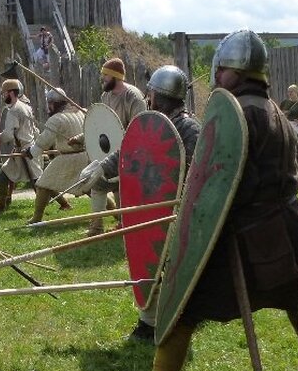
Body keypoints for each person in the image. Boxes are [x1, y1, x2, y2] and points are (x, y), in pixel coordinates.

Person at [122, 30, 298, 371]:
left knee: (179, 309)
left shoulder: (235, 117)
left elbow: (212, 183)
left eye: (221, 69)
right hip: (288, 233)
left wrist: (190, 220)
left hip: (238, 238)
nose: (217, 74)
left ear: (231, 73)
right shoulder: (278, 113)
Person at [87, 65, 201, 342]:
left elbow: (197, 175)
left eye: (151, 93)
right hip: (152, 208)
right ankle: (154, 320)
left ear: (158, 95)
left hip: (177, 213)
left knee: (161, 265)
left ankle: (152, 325)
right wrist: (101, 169)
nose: (148, 98)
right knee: (151, 263)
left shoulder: (189, 129)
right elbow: (129, 151)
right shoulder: (152, 122)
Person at [76, 57, 147, 236]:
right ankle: (106, 225)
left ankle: (109, 226)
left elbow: (140, 128)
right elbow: (101, 125)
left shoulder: (133, 97)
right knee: (103, 184)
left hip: (131, 151)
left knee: (109, 185)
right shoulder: (105, 96)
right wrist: (81, 137)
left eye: (106, 76)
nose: (103, 79)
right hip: (109, 151)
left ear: (116, 76)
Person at [26, 87, 85, 224]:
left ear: (53, 103)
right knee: (92, 188)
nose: (49, 107)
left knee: (42, 184)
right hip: (84, 157)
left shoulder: (56, 119)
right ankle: (116, 214)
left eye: (49, 104)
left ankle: (36, 218)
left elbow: (43, 142)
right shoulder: (80, 114)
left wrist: (30, 152)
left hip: (66, 158)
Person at [0, 78, 42, 212]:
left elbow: (9, 134)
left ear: (11, 93)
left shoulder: (13, 110)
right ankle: (2, 203)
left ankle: (0, 206)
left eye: (4, 93)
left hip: (24, 151)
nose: (3, 96)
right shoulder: (25, 107)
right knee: (37, 180)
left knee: (37, 181)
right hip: (28, 148)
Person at [280, 84, 298, 167]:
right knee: (287, 151)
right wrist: (283, 114)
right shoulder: (284, 103)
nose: (289, 94)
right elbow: (278, 114)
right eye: (288, 92)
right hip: (287, 128)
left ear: (296, 92)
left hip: (297, 128)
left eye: (291, 92)